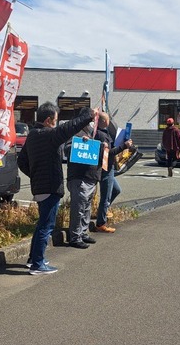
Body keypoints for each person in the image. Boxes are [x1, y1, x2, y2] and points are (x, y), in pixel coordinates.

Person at [17, 102, 97, 275]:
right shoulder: (48, 135)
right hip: (50, 186)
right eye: (55, 120)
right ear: (48, 121)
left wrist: (35, 175)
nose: (57, 123)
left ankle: (33, 259)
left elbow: (21, 161)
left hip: (40, 186)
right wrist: (89, 115)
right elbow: (68, 129)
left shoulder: (32, 135)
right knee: (46, 225)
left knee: (41, 224)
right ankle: (38, 264)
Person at [66, 124, 106, 249]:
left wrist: (104, 148)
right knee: (78, 208)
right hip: (80, 177)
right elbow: (67, 149)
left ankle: (83, 233)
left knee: (86, 208)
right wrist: (80, 143)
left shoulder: (94, 132)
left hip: (91, 177)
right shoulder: (76, 132)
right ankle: (75, 237)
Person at [94, 113, 133, 233]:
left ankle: (102, 211)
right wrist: (124, 146)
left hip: (108, 167)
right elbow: (108, 153)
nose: (109, 121)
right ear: (104, 121)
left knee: (116, 190)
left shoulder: (103, 133)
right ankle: (101, 223)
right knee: (105, 196)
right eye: (108, 120)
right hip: (106, 168)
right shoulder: (100, 135)